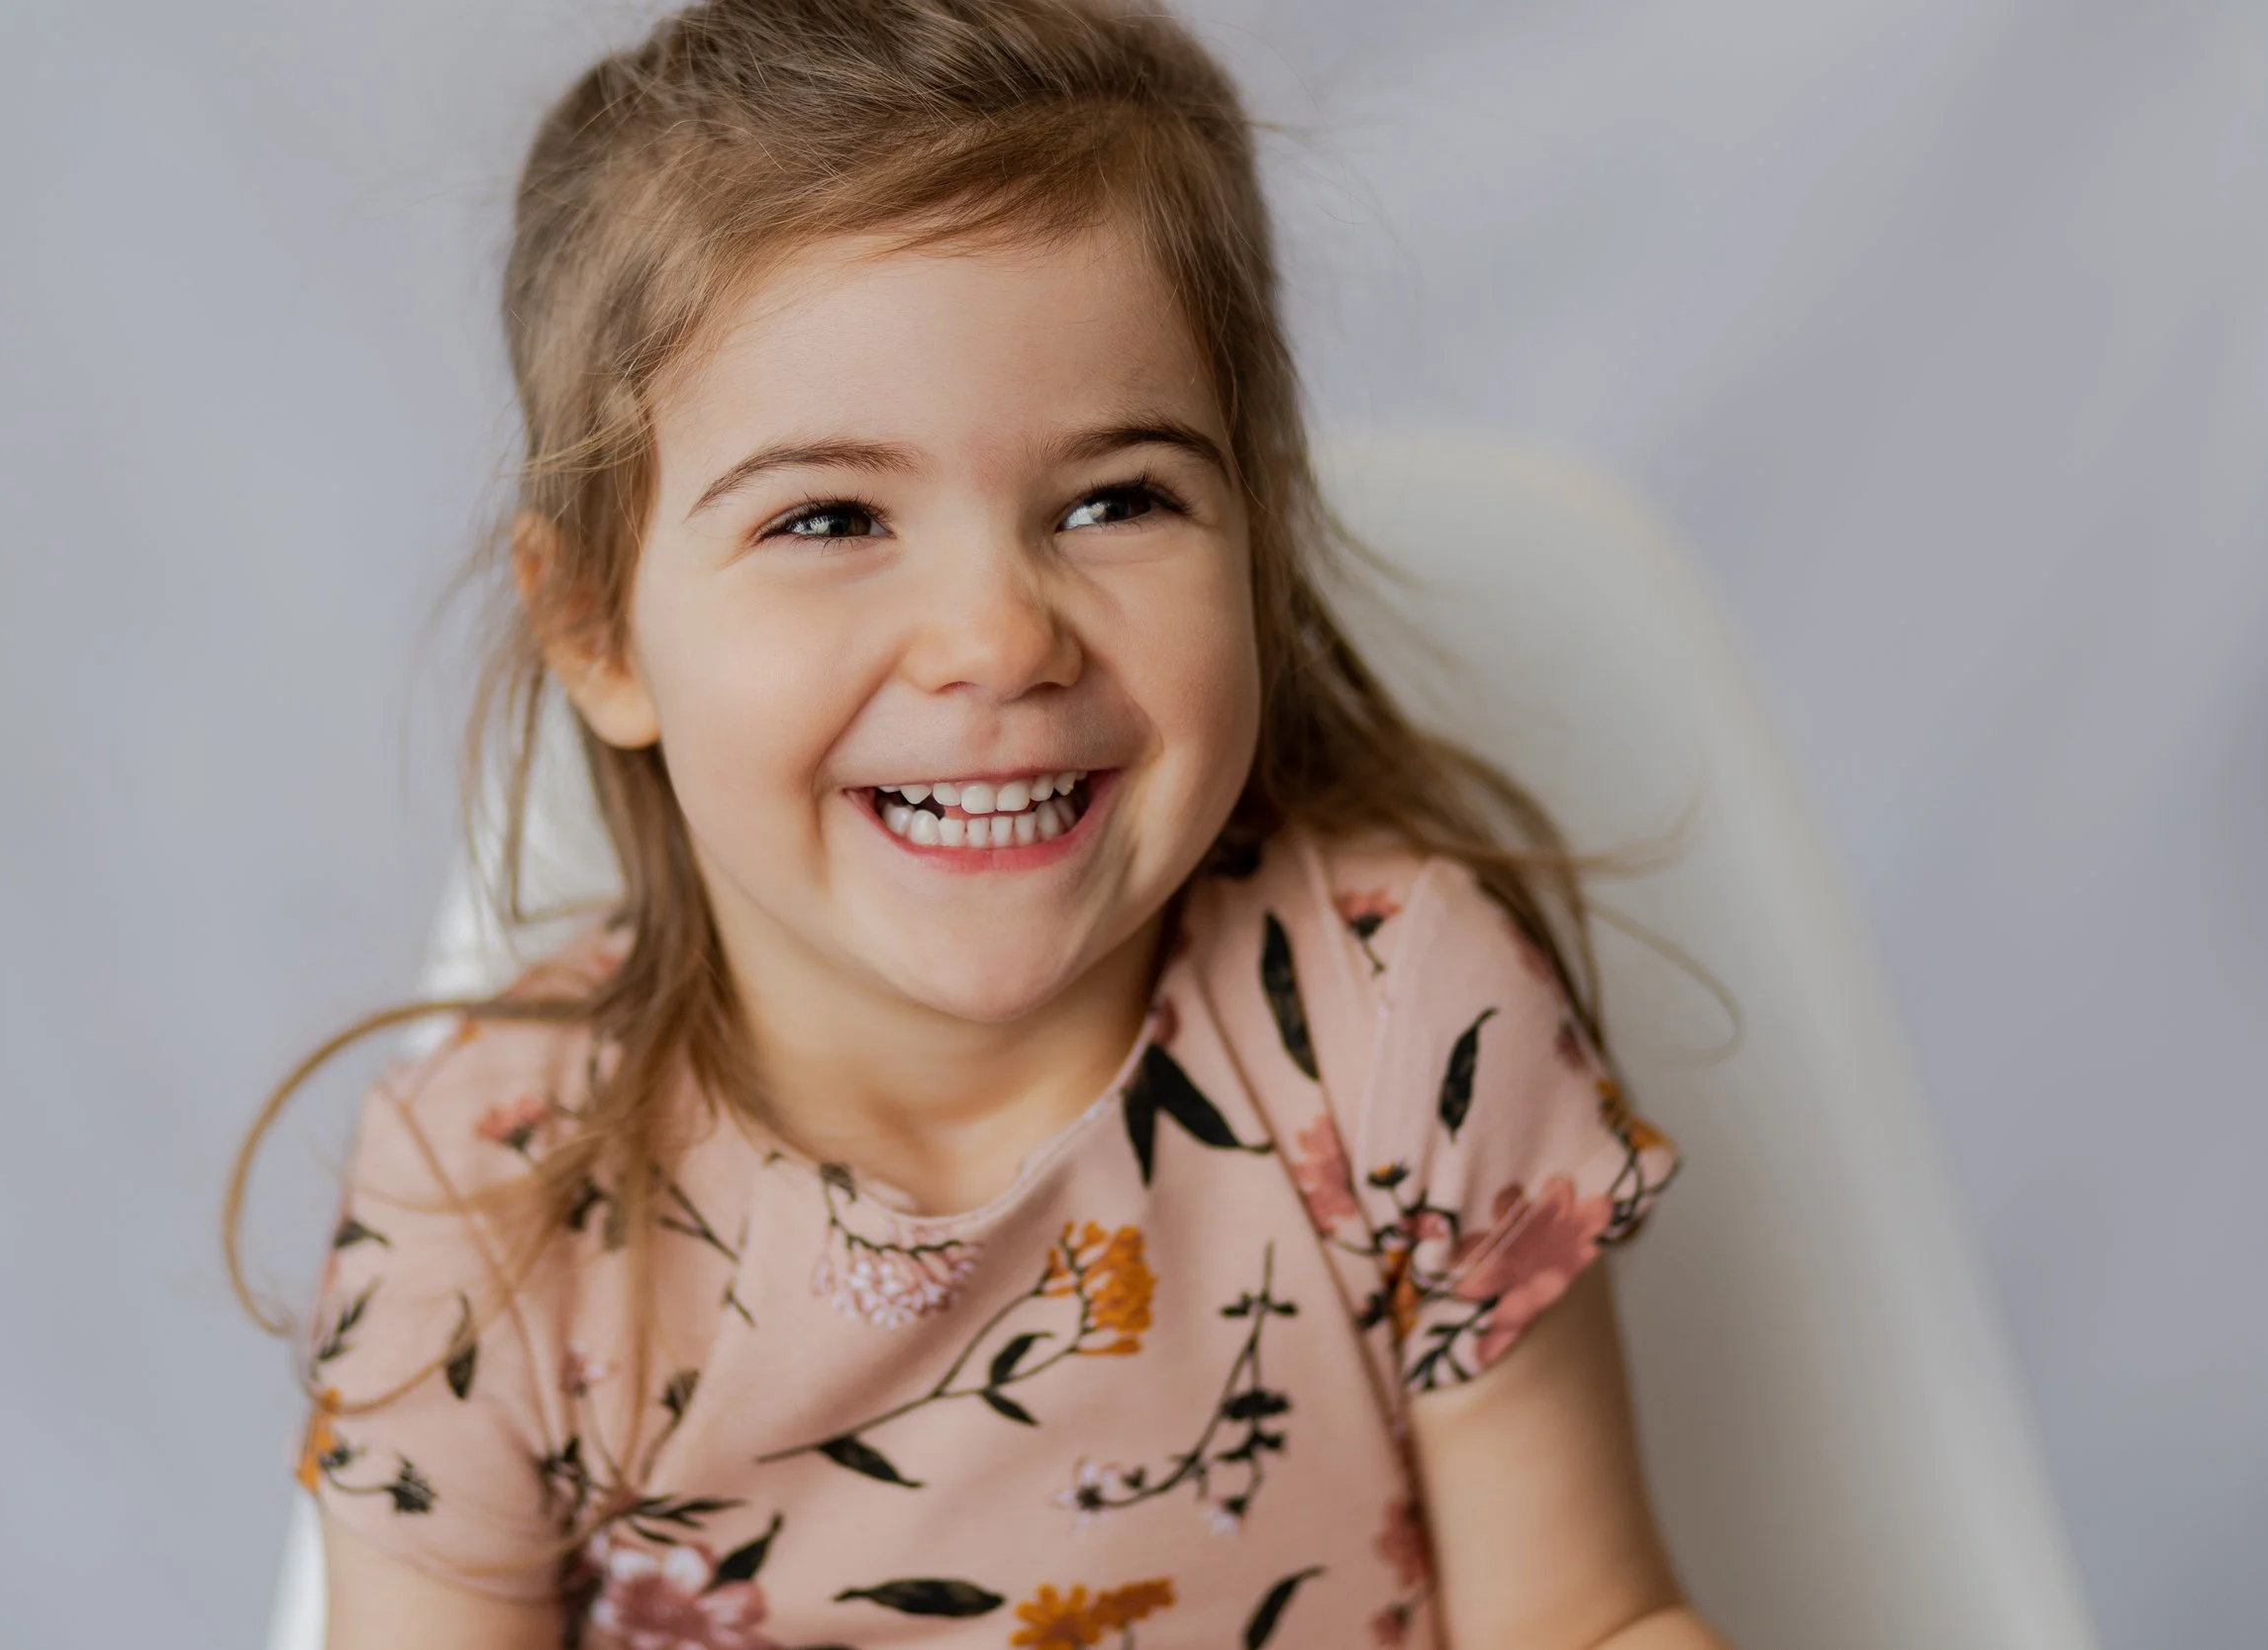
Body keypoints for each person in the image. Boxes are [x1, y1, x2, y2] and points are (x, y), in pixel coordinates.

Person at [229, 2, 1726, 1644]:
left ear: (1254, 538)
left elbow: (1587, 1623)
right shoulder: (492, 1211)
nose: (1002, 637)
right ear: (595, 625)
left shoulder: (1397, 1023)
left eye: (1116, 499)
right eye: (831, 518)